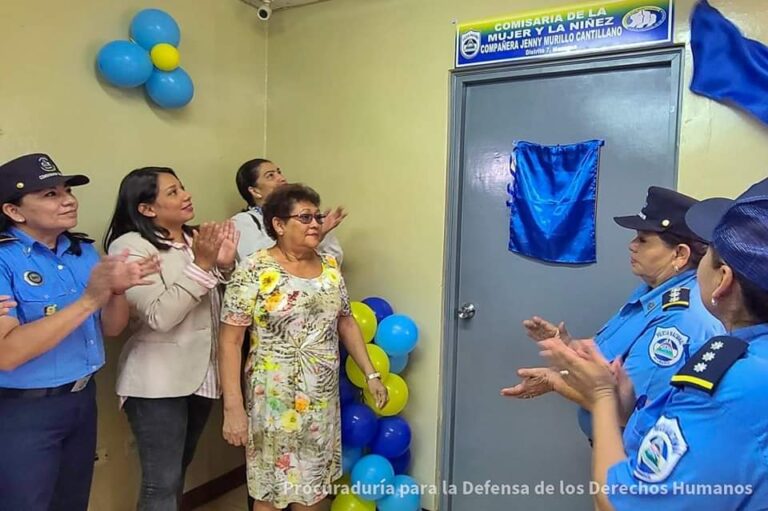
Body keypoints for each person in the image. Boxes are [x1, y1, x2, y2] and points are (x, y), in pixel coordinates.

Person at [537, 177, 768, 509]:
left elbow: (618, 503)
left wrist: (602, 398)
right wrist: (623, 403)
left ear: (723, 280)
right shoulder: (740, 355)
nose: (633, 246)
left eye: (708, 252)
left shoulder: (729, 385)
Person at [0, 153, 158, 511]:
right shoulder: (4, 259)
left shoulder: (81, 251)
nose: (68, 200)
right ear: (14, 211)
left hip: (81, 399)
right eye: (50, 194)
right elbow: (6, 354)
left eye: (67, 191)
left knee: (72, 501)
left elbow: (112, 328)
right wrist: (89, 300)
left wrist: (116, 291)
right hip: (23, 410)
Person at [503, 187, 724, 437]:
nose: (632, 246)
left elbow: (632, 409)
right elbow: (609, 358)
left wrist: (555, 381)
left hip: (638, 453)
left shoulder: (679, 319)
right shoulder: (652, 291)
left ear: (680, 254)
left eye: (643, 240)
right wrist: (567, 346)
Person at [218, 183, 387, 511]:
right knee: (270, 491)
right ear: (279, 225)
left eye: (317, 217)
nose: (315, 224)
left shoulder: (330, 268)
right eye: (305, 217)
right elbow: (230, 340)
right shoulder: (253, 269)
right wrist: (233, 407)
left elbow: (346, 322)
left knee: (313, 488)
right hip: (272, 399)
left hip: (320, 400)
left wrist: (371, 374)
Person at [104, 167, 239, 511]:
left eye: (183, 188)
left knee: (177, 472)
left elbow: (220, 305)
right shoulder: (129, 247)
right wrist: (203, 265)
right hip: (157, 382)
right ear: (147, 208)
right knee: (161, 482)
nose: (186, 195)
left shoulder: (196, 240)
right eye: (173, 192)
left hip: (202, 375)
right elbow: (160, 316)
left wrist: (224, 266)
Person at [232, 158, 345, 262]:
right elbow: (257, 262)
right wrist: (318, 236)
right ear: (255, 191)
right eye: (270, 176)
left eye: (279, 172)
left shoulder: (308, 215)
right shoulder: (242, 222)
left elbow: (335, 260)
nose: (282, 179)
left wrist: (320, 234)